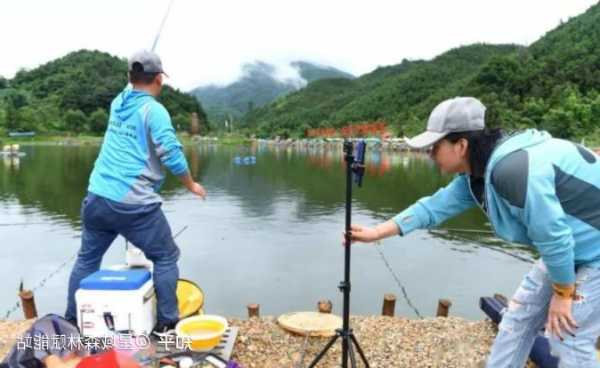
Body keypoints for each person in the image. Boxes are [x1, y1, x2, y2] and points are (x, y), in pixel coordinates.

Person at [350, 96, 600, 367]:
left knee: (567, 337)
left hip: (590, 254)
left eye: (434, 147)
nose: (429, 155)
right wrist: (376, 232)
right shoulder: (478, 176)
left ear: (461, 145)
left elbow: (554, 238)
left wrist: (563, 295)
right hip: (572, 251)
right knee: (516, 320)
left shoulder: (512, 171)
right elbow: (432, 208)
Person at [64, 50, 206, 334]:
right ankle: (167, 324)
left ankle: (70, 322)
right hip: (133, 204)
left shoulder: (119, 102)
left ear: (130, 78)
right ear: (159, 80)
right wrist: (190, 184)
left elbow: (132, 86)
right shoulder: (154, 110)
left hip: (97, 196)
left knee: (87, 259)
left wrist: (134, 75)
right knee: (165, 257)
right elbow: (172, 153)